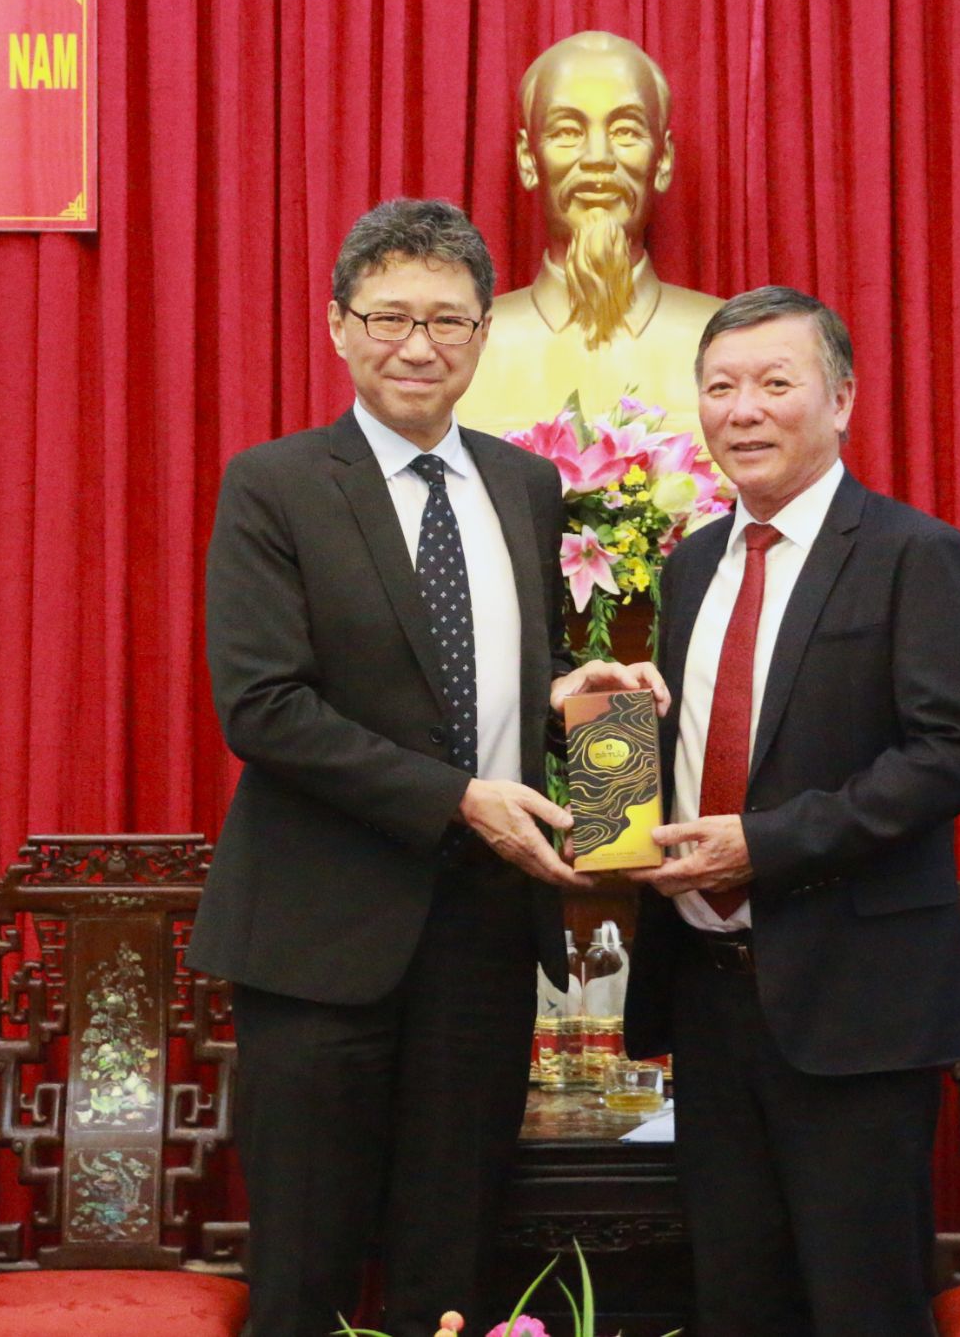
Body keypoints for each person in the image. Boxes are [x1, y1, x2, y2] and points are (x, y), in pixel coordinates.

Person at [191, 197, 666, 1337]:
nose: (419, 345)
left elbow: (507, 668)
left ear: (480, 335)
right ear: (338, 329)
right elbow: (261, 707)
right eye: (390, 317)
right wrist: (454, 797)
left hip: (481, 936)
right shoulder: (276, 485)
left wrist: (571, 697)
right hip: (318, 939)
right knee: (304, 1267)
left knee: (450, 1261)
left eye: (448, 321)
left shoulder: (522, 486)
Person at [621, 287, 960, 1336]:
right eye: (718, 387)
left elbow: (955, 753)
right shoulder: (690, 562)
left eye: (773, 384)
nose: (741, 410)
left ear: (839, 399)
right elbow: (701, 746)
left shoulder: (910, 553)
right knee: (733, 1298)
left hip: (853, 1001)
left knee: (858, 1304)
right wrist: (612, 768)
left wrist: (765, 845)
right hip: (705, 997)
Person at [456, 30, 722, 440]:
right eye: (567, 132)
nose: (598, 157)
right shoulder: (463, 349)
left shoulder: (730, 344)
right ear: (528, 159)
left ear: (663, 159)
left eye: (626, 131)